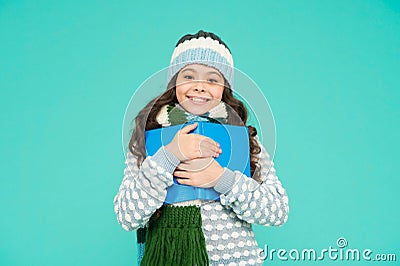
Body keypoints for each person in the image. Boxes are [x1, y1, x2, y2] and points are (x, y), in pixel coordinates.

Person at [113, 30, 289, 266]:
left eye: (212, 79)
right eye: (188, 76)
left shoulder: (245, 141)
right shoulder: (149, 139)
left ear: (224, 88)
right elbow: (127, 215)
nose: (199, 87)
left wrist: (221, 178)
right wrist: (170, 155)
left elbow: (277, 211)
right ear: (174, 82)